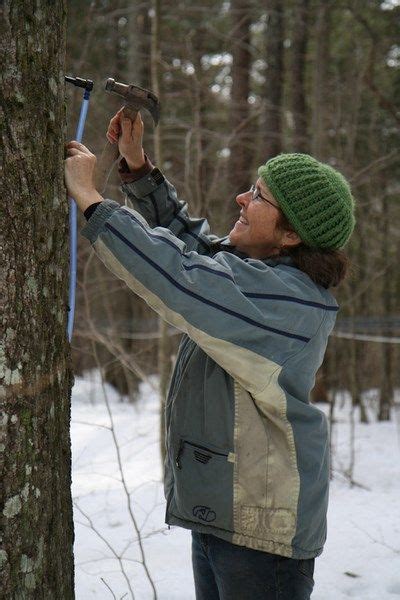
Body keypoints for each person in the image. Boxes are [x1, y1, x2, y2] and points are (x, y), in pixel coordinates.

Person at [65, 110, 355, 600]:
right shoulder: (261, 276)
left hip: (262, 530)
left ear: (290, 236)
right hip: (231, 513)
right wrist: (138, 169)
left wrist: (92, 200)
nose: (242, 198)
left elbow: (182, 275)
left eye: (259, 197)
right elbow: (195, 247)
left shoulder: (287, 301)